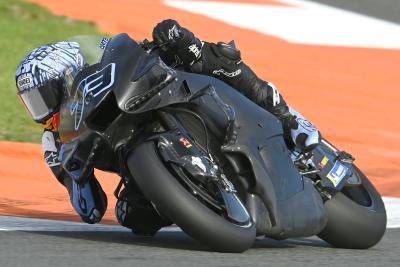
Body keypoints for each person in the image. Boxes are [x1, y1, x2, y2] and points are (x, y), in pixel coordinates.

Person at [15, 19, 320, 234]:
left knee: (195, 51)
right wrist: (77, 177)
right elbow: (90, 211)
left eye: (44, 97)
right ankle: (202, 200)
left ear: (68, 77)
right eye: (32, 102)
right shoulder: (55, 143)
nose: (41, 111)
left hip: (159, 95)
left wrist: (169, 41)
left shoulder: (98, 75)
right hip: (136, 165)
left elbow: (127, 53)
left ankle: (290, 119)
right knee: (133, 220)